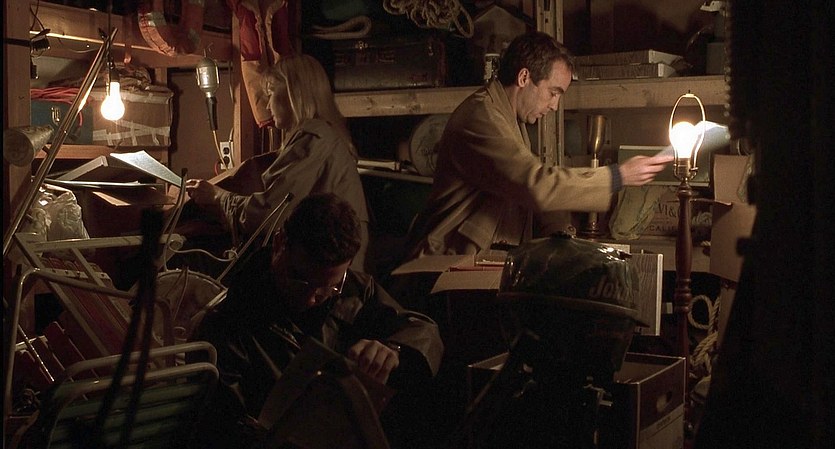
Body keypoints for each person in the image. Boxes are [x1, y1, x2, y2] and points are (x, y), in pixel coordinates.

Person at [188, 193, 444, 449]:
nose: (311, 298)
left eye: (327, 287)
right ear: (279, 243)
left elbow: (422, 329)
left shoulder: (356, 290)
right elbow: (220, 430)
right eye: (299, 279)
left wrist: (393, 349)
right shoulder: (226, 324)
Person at [404, 31, 674, 260]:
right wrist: (617, 176)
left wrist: (562, 235)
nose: (555, 106)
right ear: (524, 78)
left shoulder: (509, 117)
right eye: (553, 92)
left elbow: (535, 189)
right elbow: (536, 186)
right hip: (446, 262)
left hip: (470, 259)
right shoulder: (481, 117)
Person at [184, 54, 370, 273]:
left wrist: (218, 197)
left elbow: (268, 215)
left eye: (271, 93)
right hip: (325, 267)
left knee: (192, 261)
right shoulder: (319, 137)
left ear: (294, 94)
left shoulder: (314, 139)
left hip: (326, 275)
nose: (267, 104)